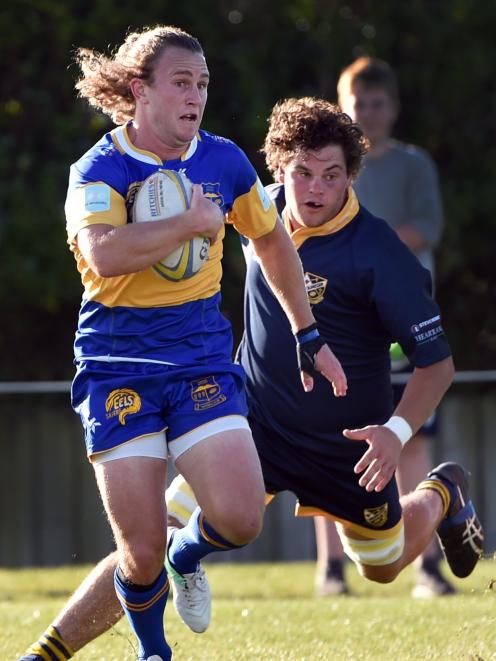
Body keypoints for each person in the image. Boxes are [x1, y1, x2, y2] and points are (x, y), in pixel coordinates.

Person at [18, 97, 484, 660]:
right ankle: (45, 654)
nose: (315, 189)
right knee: (151, 541)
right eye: (302, 173)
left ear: (351, 176)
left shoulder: (382, 254)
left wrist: (397, 433)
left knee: (381, 565)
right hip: (249, 424)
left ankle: (440, 493)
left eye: (332, 176)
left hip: (349, 448)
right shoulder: (254, 210)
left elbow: (439, 363)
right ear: (277, 170)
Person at [18, 31, 347, 661]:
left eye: (202, 83)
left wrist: (308, 333)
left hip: (198, 358)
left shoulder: (223, 162)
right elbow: (103, 253)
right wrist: (190, 225)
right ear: (140, 91)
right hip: (117, 368)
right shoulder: (97, 169)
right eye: (181, 82)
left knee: (242, 516)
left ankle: (187, 553)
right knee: (137, 552)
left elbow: (273, 241)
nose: (195, 95)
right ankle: (153, 651)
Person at [313, 55, 452, 598]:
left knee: (410, 435)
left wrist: (368, 251)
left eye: (376, 104)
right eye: (358, 105)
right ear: (342, 109)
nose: (368, 114)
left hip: (397, 320)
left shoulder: (414, 165)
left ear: (393, 107)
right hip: (340, 327)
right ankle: (330, 568)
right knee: (327, 441)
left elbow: (426, 228)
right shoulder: (331, 166)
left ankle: (430, 565)